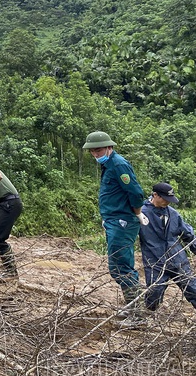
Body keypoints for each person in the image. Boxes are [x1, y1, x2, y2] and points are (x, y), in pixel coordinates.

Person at [82, 131, 147, 325]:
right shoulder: (108, 164)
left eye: (99, 150)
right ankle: (134, 306)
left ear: (109, 147)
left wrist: (137, 213)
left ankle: (138, 315)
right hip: (114, 220)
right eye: (92, 151)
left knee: (121, 266)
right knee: (117, 266)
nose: (95, 154)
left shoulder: (119, 164)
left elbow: (135, 192)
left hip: (122, 222)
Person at [138, 182, 196, 312]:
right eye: (165, 199)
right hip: (155, 261)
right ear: (155, 195)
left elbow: (188, 235)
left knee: (192, 287)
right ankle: (149, 315)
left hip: (177, 259)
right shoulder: (141, 213)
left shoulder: (173, 214)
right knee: (154, 292)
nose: (168, 202)